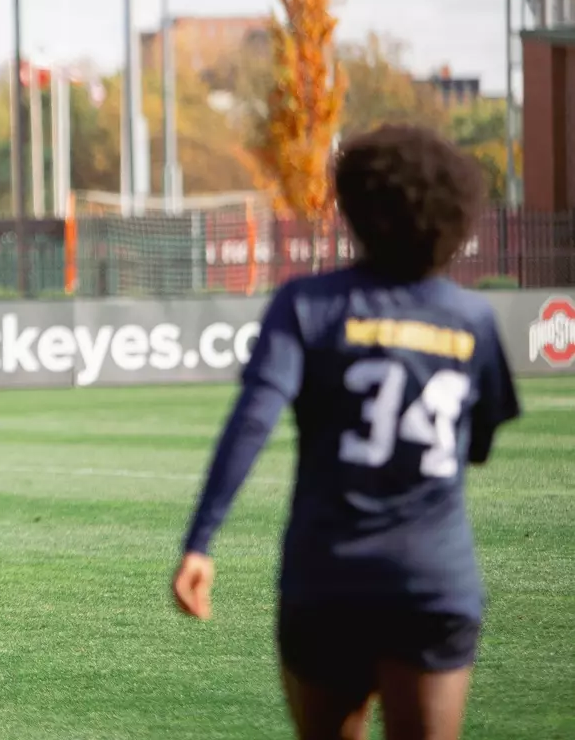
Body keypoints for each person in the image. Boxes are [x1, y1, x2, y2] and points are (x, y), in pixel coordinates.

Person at [172, 125, 521, 740]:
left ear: (355, 208)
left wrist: (201, 541)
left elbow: (253, 420)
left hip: (327, 580)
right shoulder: (473, 319)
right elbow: (480, 445)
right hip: (434, 581)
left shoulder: (307, 303)